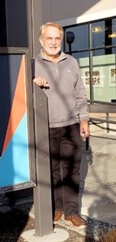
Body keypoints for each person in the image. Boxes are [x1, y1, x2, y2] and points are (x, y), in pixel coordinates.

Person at [33, 22, 90, 228]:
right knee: (51, 171)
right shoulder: (33, 65)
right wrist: (33, 85)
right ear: (41, 40)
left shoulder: (72, 62)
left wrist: (84, 119)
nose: (54, 42)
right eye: (49, 38)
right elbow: (22, 95)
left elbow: (80, 93)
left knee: (72, 171)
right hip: (45, 127)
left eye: (57, 38)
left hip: (71, 125)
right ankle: (56, 208)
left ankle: (72, 212)